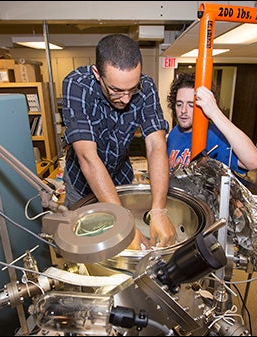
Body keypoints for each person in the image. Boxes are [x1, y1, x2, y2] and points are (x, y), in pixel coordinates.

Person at [62, 34, 176, 249]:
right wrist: (122, 226)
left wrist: (159, 209)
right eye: (116, 90)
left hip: (121, 177)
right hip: (82, 185)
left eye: (132, 90)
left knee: (128, 242)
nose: (126, 98)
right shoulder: (76, 85)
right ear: (97, 74)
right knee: (88, 245)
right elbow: (87, 157)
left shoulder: (147, 87)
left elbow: (156, 145)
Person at [167, 72, 257, 173]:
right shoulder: (174, 133)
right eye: (179, 104)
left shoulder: (213, 136)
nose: (183, 110)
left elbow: (254, 162)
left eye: (191, 105)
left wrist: (215, 113)